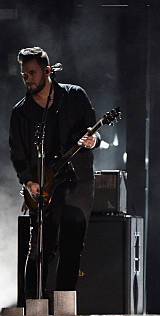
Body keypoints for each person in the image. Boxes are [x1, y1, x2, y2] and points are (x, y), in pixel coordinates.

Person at [9, 47, 99, 302]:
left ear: (48, 71)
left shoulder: (75, 96)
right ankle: (31, 308)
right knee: (39, 249)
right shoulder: (21, 113)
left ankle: (63, 311)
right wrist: (28, 180)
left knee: (71, 249)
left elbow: (93, 131)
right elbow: (17, 153)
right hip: (44, 187)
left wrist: (94, 140)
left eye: (32, 73)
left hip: (77, 183)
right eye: (24, 74)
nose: (27, 79)